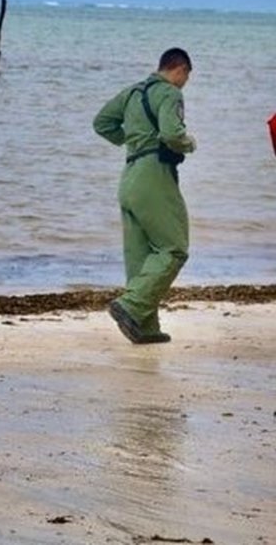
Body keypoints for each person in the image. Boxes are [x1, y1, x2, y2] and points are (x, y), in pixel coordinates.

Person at [93, 48, 196, 344]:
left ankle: (145, 326)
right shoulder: (171, 93)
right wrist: (189, 143)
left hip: (129, 174)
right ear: (180, 70)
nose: (185, 82)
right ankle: (131, 306)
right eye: (187, 76)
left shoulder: (133, 92)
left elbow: (101, 123)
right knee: (174, 248)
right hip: (154, 175)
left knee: (139, 256)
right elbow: (172, 134)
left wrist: (131, 139)